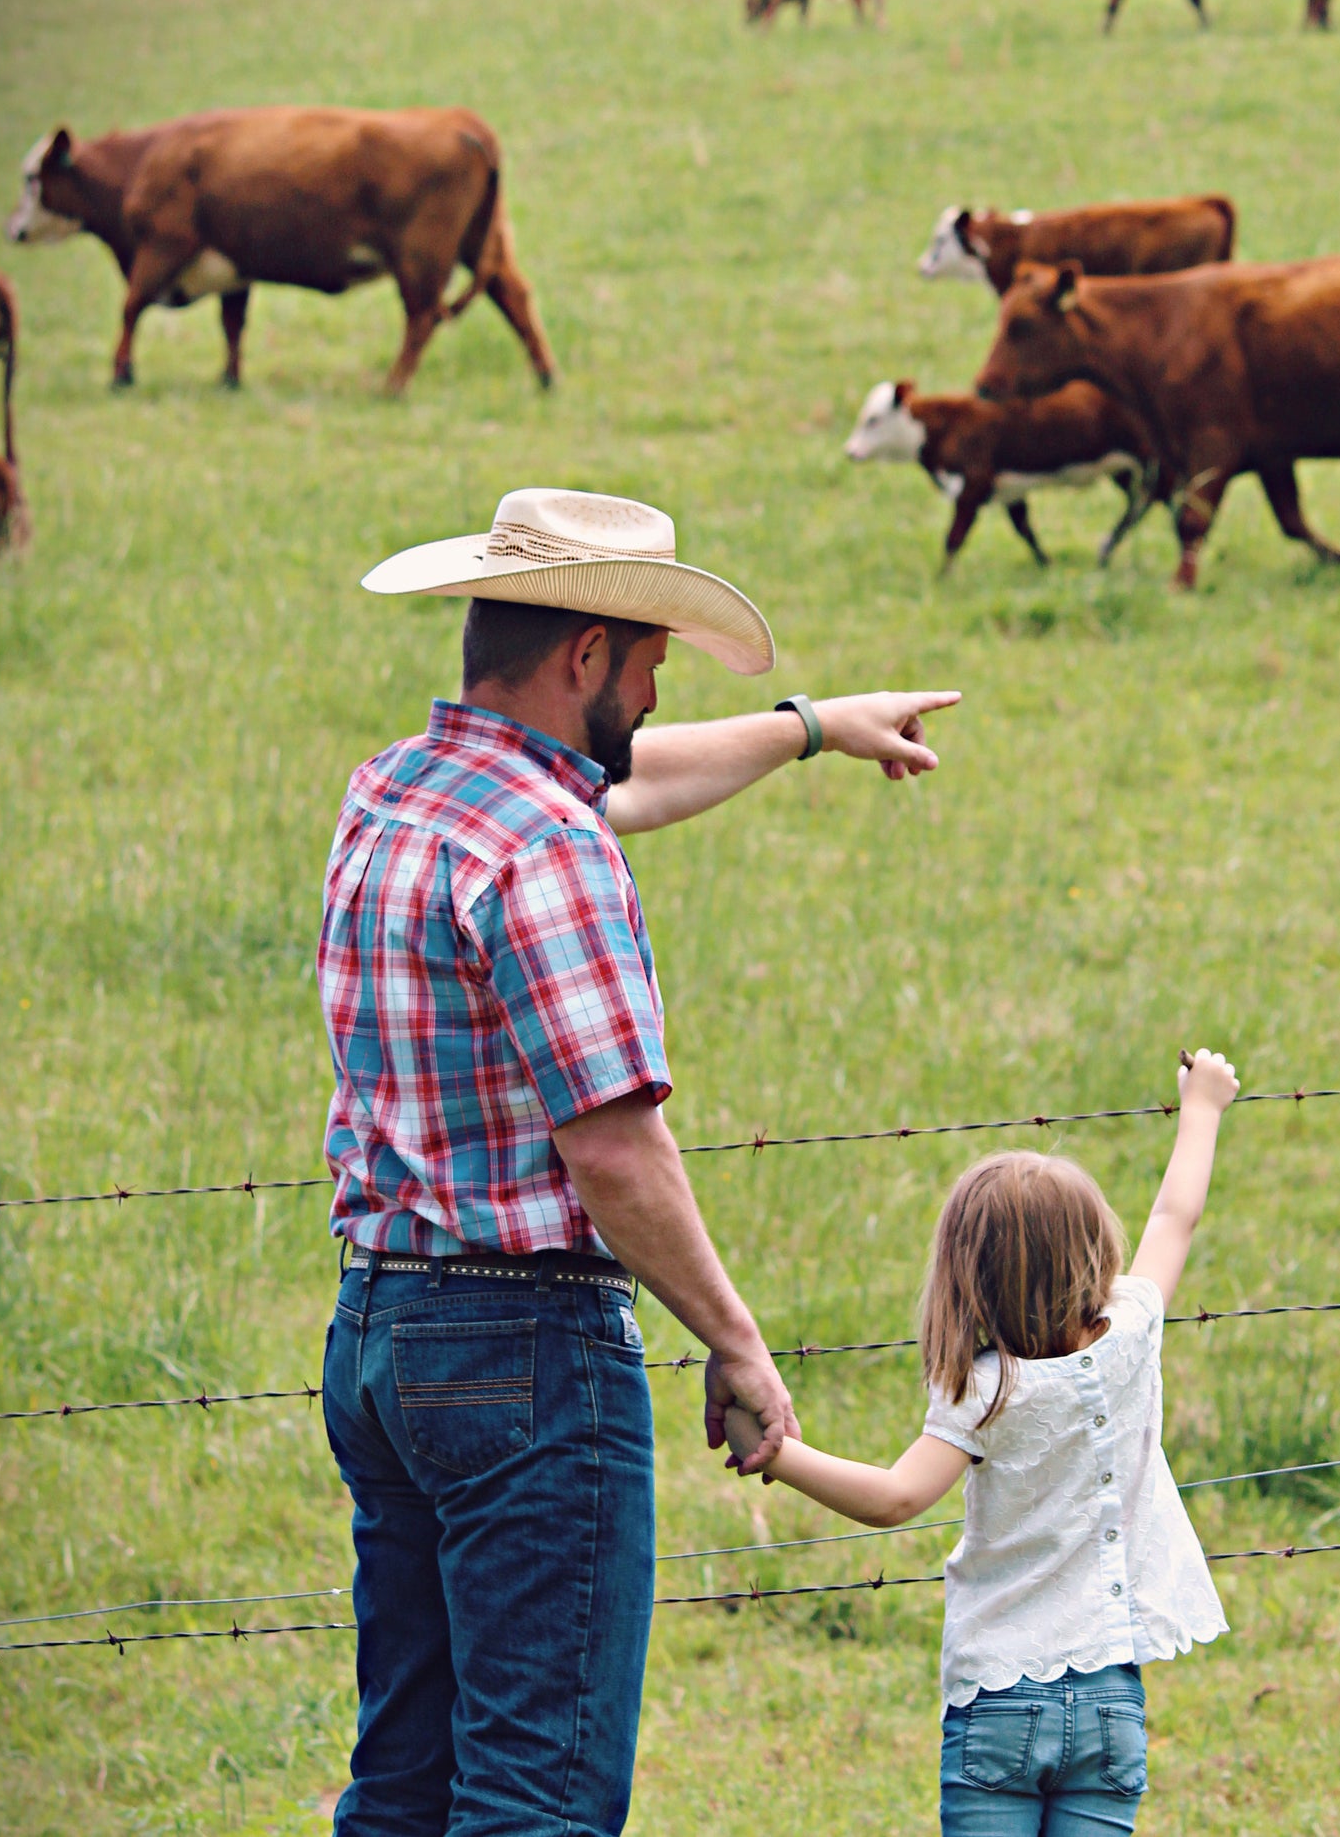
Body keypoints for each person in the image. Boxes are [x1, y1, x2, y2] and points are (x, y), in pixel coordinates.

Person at [316, 486, 959, 1837]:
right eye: (653, 650)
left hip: (380, 1332)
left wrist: (809, 730)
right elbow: (611, 1146)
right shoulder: (550, 848)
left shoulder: (398, 790)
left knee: (405, 1782)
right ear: (588, 654)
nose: (663, 682)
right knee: (532, 1798)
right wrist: (733, 1335)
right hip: (524, 1349)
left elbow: (624, 779)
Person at [723, 1047, 1241, 1836]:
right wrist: (1201, 1105)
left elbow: (896, 1499)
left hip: (999, 1697)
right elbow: (1176, 1217)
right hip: (1109, 1697)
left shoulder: (981, 1389)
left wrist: (778, 1452)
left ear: (967, 1278)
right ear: (1096, 1252)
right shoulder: (1132, 1332)